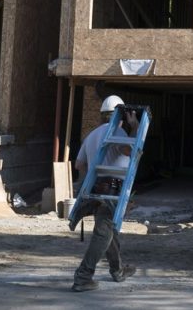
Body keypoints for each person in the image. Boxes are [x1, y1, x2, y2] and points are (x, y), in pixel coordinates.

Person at [70, 95, 138, 292]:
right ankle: (83, 276)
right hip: (112, 190)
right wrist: (133, 127)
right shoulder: (117, 132)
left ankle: (117, 270)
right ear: (120, 115)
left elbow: (79, 164)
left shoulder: (91, 135)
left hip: (95, 189)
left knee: (109, 230)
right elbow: (128, 151)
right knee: (104, 233)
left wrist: (94, 173)